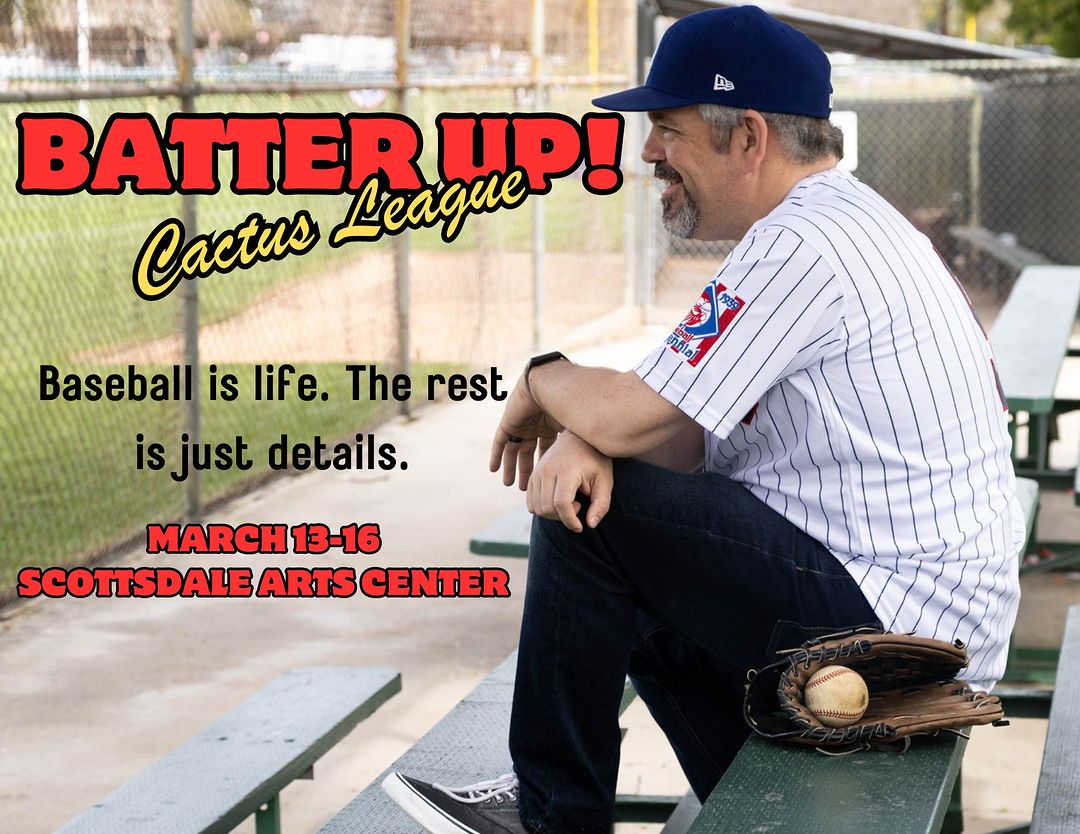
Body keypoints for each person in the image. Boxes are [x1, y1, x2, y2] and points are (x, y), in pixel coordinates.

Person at [383, 6, 1023, 833]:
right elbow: (670, 425)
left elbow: (627, 417)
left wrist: (546, 380)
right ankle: (760, 814)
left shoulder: (804, 245)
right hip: (915, 608)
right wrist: (590, 434)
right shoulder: (837, 223)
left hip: (904, 631)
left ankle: (549, 819)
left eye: (667, 129)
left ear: (747, 137)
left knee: (597, 526)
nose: (648, 152)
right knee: (640, 570)